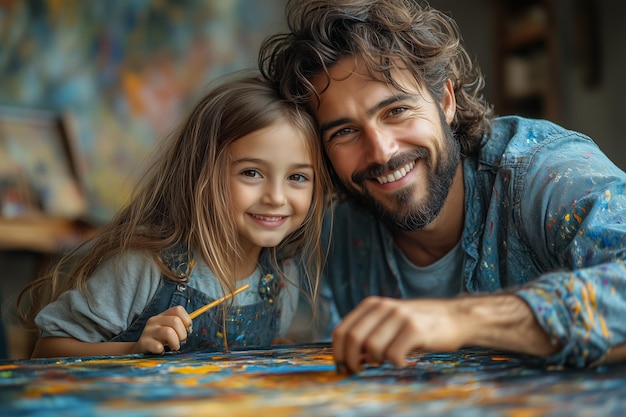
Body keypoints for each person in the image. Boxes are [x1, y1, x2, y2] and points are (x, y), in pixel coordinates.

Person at [258, 0, 626, 373]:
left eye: (396, 111)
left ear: (445, 100)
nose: (382, 152)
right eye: (345, 132)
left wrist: (461, 320)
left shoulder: (545, 172)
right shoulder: (338, 231)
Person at [17, 73, 332, 358]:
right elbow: (47, 352)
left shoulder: (280, 279)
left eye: (297, 178)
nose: (276, 197)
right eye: (251, 172)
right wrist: (133, 348)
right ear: (201, 175)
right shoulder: (145, 268)